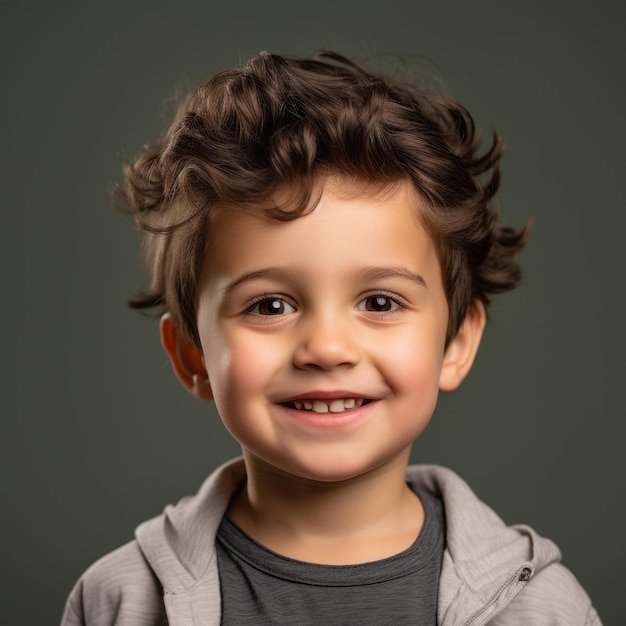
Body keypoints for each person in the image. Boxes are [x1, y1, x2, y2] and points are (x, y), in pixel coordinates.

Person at [61, 50, 600, 625]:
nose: (327, 348)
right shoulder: (120, 603)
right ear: (192, 355)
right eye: (270, 305)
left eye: (380, 302)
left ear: (457, 341)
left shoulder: (539, 609)